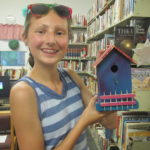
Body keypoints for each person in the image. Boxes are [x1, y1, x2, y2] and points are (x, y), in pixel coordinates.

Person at [10, 3, 117, 150]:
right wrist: (83, 122)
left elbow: (111, 123)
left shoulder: (71, 76)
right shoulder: (23, 92)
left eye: (60, 33)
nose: (51, 40)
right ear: (25, 38)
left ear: (68, 39)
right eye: (41, 31)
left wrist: (106, 76)